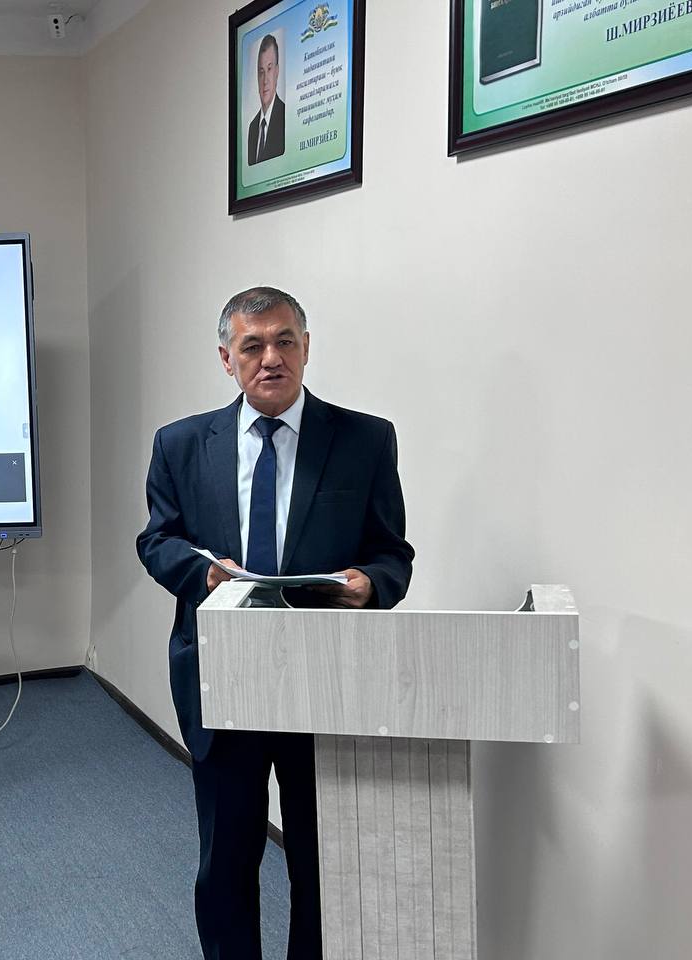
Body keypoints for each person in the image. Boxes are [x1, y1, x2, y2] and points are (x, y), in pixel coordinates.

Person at [136, 287, 414, 960]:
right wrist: (204, 574)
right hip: (221, 678)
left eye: (285, 341)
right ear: (226, 358)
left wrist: (371, 584)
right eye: (253, 345)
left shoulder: (365, 440)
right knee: (226, 858)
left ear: (306, 348)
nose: (271, 358)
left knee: (320, 860)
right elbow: (157, 540)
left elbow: (391, 554)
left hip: (324, 681)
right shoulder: (180, 444)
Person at [247, 34, 286, 165]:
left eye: (269, 69)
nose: (265, 80)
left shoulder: (285, 117)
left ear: (277, 72)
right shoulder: (252, 128)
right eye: (261, 71)